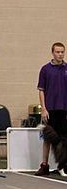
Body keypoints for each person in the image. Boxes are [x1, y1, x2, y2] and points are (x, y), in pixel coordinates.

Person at [35, 42, 67, 176]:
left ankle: (63, 165)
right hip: (50, 109)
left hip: (64, 109)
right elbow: (41, 90)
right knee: (48, 138)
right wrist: (44, 109)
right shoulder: (45, 69)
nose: (60, 54)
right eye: (57, 52)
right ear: (53, 53)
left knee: (64, 138)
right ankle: (44, 165)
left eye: (62, 52)